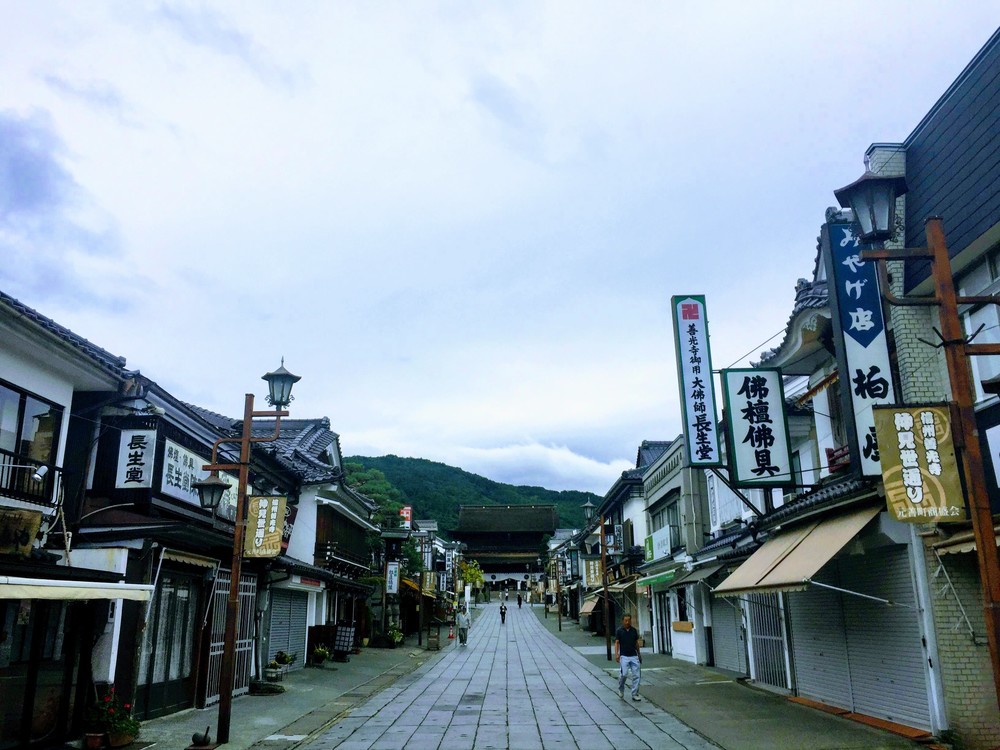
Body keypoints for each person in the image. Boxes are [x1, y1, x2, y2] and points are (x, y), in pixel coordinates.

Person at [614, 613, 642, 702]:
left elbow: (636, 643)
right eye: (625, 620)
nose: (627, 622)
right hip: (624, 656)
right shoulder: (619, 631)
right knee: (624, 674)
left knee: (637, 675)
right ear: (623, 621)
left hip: (633, 655)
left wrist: (639, 654)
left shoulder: (634, 630)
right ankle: (621, 688)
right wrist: (617, 654)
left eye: (629, 620)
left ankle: (635, 693)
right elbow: (617, 643)